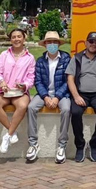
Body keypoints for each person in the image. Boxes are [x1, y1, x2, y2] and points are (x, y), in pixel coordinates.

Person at [26, 31, 72, 164]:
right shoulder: (40, 61)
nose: (52, 44)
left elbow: (67, 81)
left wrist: (57, 97)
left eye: (55, 42)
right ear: (45, 44)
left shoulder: (66, 59)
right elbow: (38, 81)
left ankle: (62, 145)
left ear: (59, 44)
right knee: (31, 107)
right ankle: (33, 144)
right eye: (49, 42)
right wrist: (46, 97)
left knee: (67, 110)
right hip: (44, 93)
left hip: (61, 94)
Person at [66, 31, 96, 162]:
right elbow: (70, 79)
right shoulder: (77, 58)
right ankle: (80, 146)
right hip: (81, 94)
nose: (93, 44)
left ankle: (94, 144)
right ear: (86, 42)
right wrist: (76, 96)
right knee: (75, 112)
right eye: (91, 41)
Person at [0, 29, 35, 154]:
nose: (16, 39)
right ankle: (11, 132)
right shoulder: (4, 55)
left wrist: (24, 85)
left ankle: (6, 136)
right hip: (4, 90)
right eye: (14, 37)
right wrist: (1, 82)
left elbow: (31, 77)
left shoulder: (30, 58)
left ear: (24, 38)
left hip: (19, 92)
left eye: (19, 36)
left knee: (22, 105)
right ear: (10, 40)